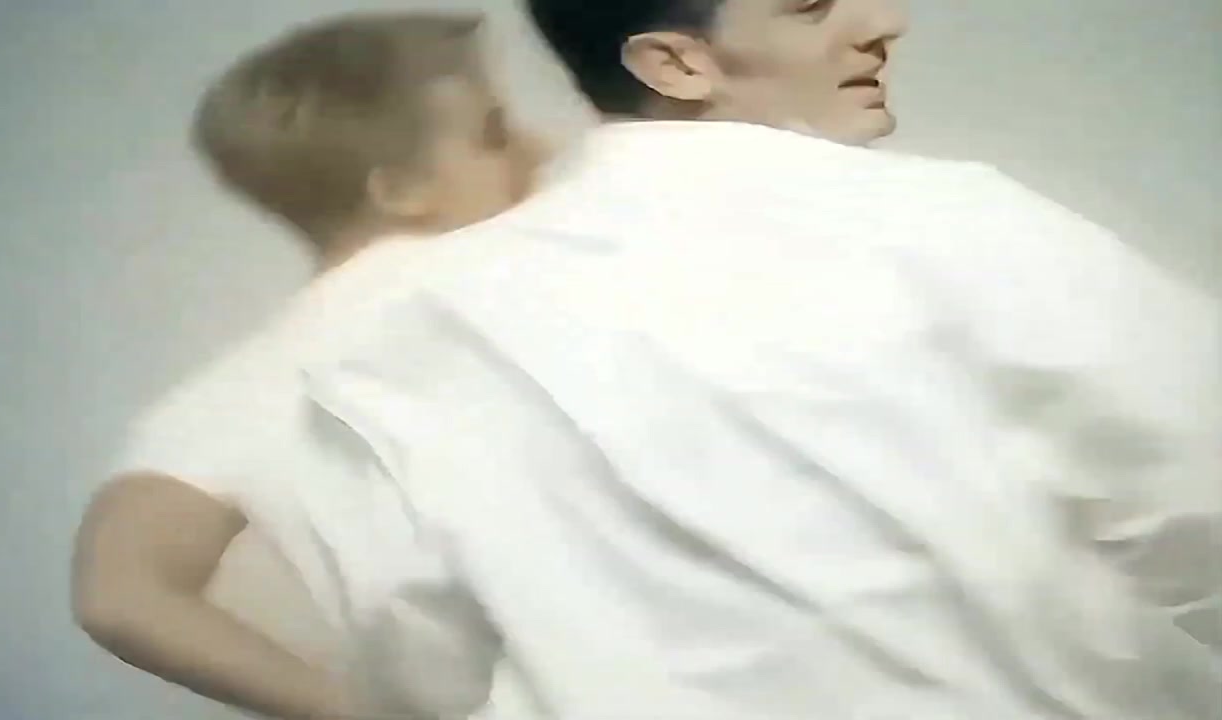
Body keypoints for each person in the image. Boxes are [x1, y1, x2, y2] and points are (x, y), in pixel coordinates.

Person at [303, 0, 1221, 718]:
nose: (886, 21)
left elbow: (416, 661)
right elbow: (1203, 489)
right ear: (675, 64)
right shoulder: (950, 226)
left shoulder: (404, 331)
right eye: (812, 4)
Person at [70, 12, 543, 720]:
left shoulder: (242, 388)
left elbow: (118, 592)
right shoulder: (525, 289)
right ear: (401, 189)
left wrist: (357, 715)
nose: (542, 148)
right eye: (495, 134)